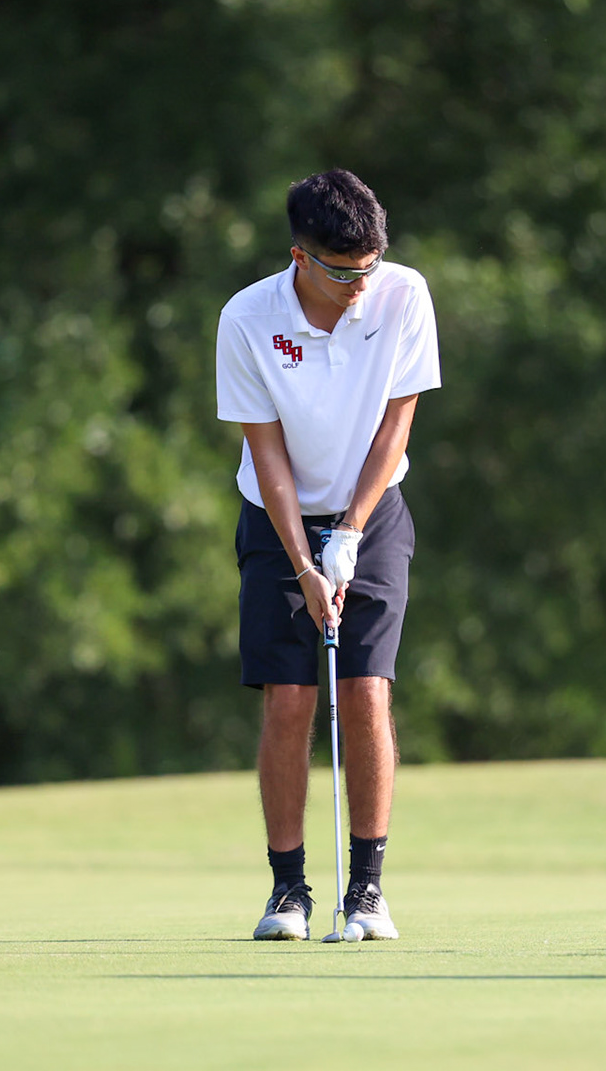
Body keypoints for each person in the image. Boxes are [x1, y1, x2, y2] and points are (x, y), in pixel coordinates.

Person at [214, 168, 440, 941]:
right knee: (290, 699)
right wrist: (306, 563)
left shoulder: (403, 294)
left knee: (369, 691)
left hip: (373, 514)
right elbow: (267, 457)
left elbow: (395, 428)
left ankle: (368, 891)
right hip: (276, 519)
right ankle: (288, 893)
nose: (359, 286)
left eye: (369, 268)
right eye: (343, 273)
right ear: (299, 257)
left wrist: (347, 534)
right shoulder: (247, 318)